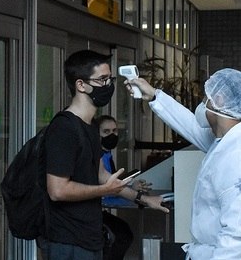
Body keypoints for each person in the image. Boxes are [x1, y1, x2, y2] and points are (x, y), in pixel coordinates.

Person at [127, 68, 241, 259]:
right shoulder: (229, 140)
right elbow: (191, 126)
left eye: (205, 99)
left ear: (220, 101)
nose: (201, 105)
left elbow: (237, 236)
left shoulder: (240, 156)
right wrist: (154, 96)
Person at [40, 50, 168, 260]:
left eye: (110, 79)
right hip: (67, 240)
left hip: (90, 236)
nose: (109, 85)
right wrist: (103, 190)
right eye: (102, 80)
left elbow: (102, 176)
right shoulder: (64, 128)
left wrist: (144, 199)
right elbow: (57, 190)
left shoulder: (90, 127)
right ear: (81, 85)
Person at [94, 114, 154, 260]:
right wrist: (133, 191)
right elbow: (104, 187)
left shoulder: (107, 155)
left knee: (124, 233)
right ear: (97, 134)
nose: (112, 135)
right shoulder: (97, 156)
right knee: (122, 235)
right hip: (93, 211)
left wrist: (131, 186)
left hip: (99, 209)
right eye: (106, 132)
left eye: (114, 131)